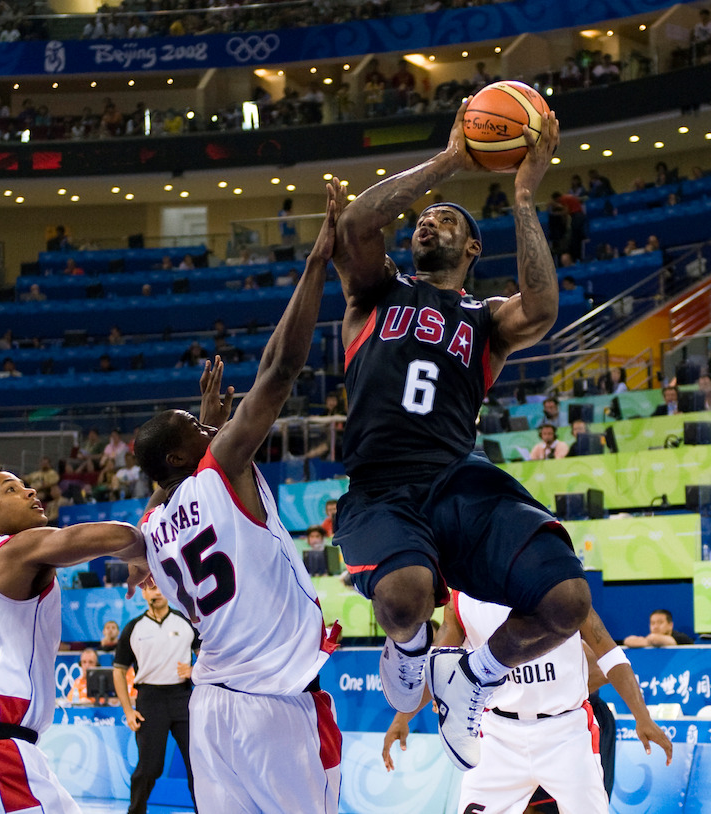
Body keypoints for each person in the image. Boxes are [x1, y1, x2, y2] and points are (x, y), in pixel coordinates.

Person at [328, 102, 586, 772]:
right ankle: (409, 650)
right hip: (381, 486)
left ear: (473, 249)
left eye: (445, 218)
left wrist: (524, 196)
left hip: (457, 478)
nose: (426, 223)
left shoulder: (486, 319)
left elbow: (544, 309)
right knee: (406, 596)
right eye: (420, 221)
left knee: (566, 602)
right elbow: (355, 224)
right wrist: (448, 161)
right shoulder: (375, 294)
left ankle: (474, 676)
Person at [133, 179, 343, 811]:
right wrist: (315, 263)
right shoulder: (219, 470)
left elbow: (186, 489)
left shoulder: (151, 524)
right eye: (198, 429)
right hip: (272, 704)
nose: (211, 429)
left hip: (214, 702)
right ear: (181, 455)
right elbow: (279, 371)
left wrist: (206, 428)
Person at [0, 460, 147, 813]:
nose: (30, 491)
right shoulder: (15, 548)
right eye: (11, 489)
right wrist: (141, 555)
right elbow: (119, 536)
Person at [383, 593, 672, 813]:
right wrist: (401, 718)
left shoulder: (560, 584)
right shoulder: (461, 598)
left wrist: (641, 716)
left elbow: (610, 655)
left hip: (566, 732)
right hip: (498, 734)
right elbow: (439, 665)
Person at [113, 582, 199, 814]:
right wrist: (128, 711)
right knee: (149, 768)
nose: (157, 592)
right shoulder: (133, 628)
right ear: (143, 593)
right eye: (150, 588)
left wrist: (195, 670)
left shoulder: (186, 622)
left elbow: (208, 654)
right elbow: (119, 671)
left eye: (160, 587)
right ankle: (136, 811)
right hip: (149, 700)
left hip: (182, 697)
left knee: (197, 766)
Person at [623, 608, 694, 647]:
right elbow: (627, 641)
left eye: (660, 622)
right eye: (652, 623)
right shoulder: (650, 639)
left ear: (670, 625)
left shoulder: (681, 638)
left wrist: (646, 642)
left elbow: (655, 639)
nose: (655, 626)